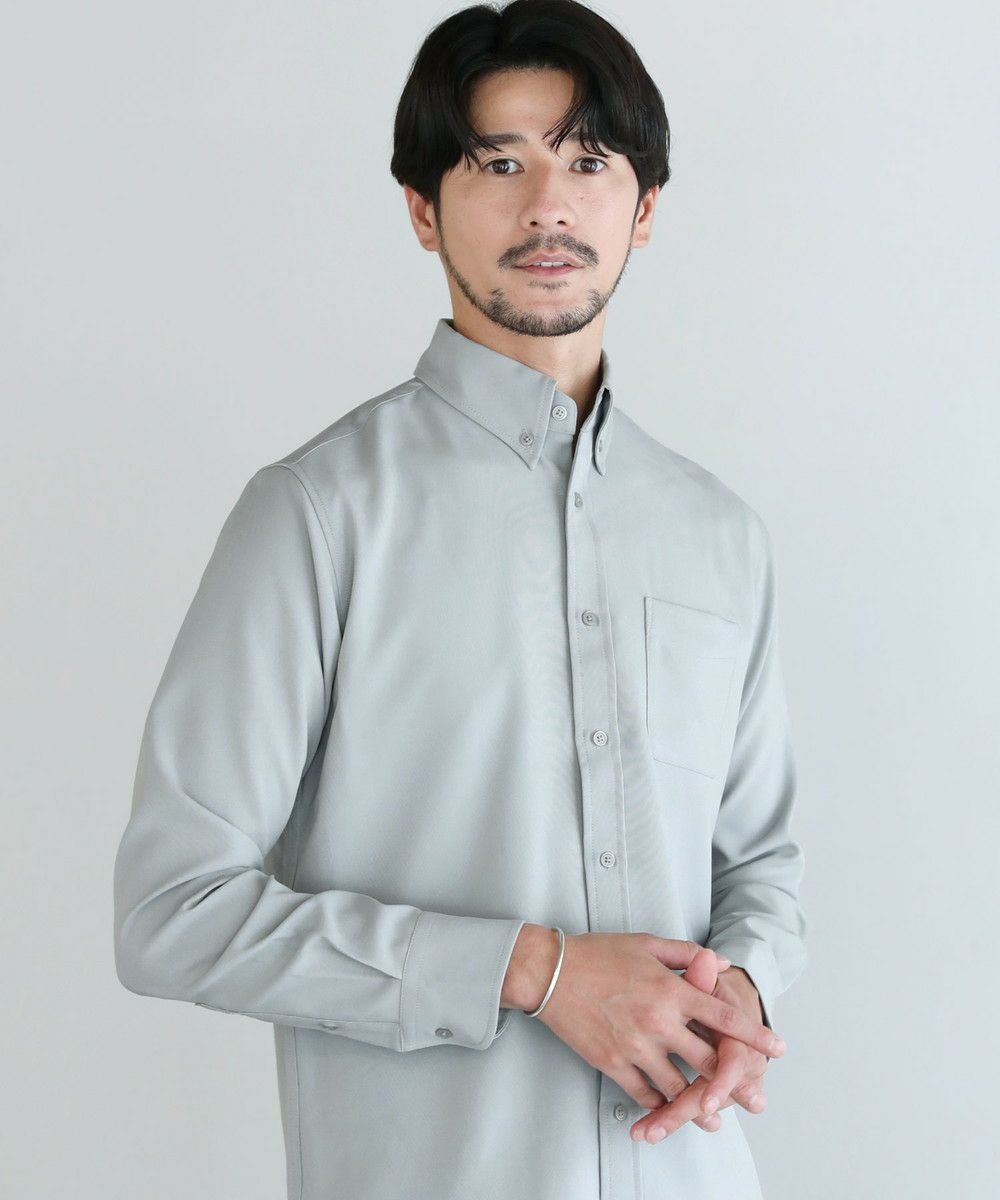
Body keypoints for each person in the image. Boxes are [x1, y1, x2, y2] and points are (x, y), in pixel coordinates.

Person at [113, 2, 806, 1197]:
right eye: (499, 163)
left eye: (588, 162)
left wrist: (740, 985)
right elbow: (173, 911)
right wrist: (533, 971)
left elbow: (764, 867)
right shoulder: (317, 513)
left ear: (644, 208)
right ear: (422, 208)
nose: (547, 205)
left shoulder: (718, 535)